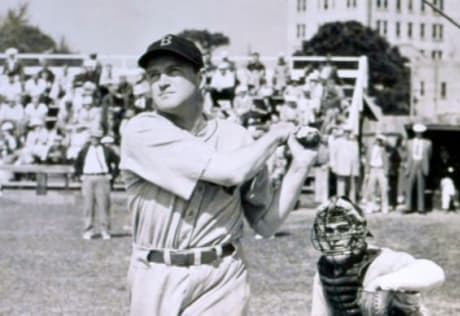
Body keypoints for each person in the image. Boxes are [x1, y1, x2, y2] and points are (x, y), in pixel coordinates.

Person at [119, 34, 318, 316]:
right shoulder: (142, 130)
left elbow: (266, 224)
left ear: (201, 77)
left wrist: (300, 165)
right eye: (153, 75)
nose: (162, 81)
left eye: (174, 71)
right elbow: (230, 171)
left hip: (222, 274)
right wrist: (275, 135)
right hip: (156, 272)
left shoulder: (236, 137)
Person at [310, 197, 445, 316]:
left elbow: (435, 273)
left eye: (343, 229)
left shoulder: (382, 261)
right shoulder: (325, 271)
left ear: (358, 232)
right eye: (329, 231)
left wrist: (383, 283)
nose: (335, 238)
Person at [74, 128, 119, 240]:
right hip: (88, 177)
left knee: (104, 205)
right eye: (93, 137)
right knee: (88, 206)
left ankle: (105, 230)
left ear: (100, 139)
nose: (95, 140)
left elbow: (117, 162)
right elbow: (77, 163)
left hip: (102, 177)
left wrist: (112, 175)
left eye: (97, 138)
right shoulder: (84, 150)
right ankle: (88, 230)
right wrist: (80, 175)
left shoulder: (106, 150)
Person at [404, 123, 432, 214]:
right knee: (409, 186)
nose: (418, 134)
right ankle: (408, 207)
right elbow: (406, 155)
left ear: (422, 133)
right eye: (417, 132)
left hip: (421, 163)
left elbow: (430, 155)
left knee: (421, 186)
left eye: (420, 132)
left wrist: (424, 163)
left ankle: (421, 208)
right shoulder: (409, 142)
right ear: (414, 132)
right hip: (412, 164)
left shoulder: (428, 143)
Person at [363, 134, 390, 214]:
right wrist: (367, 172)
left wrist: (386, 171)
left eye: (380, 140)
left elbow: (386, 160)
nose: (378, 142)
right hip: (372, 169)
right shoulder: (370, 149)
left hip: (381, 169)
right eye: (377, 140)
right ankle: (371, 206)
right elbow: (367, 161)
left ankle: (384, 207)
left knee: (383, 189)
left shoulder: (384, 149)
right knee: (371, 189)